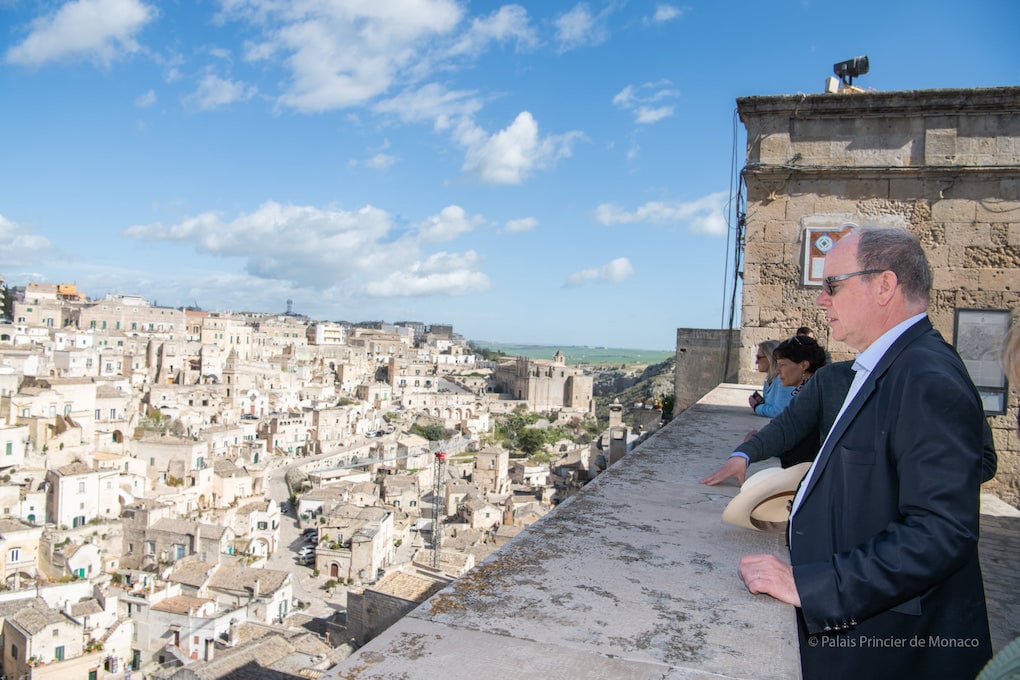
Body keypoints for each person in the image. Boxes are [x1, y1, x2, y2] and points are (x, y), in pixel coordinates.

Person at [738, 226, 994, 679]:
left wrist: (815, 585)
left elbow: (941, 531)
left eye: (832, 285)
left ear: (884, 286)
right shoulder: (894, 364)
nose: (822, 300)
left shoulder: (926, 377)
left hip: (892, 649)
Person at [748, 339, 795, 417]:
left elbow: (779, 411)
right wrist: (763, 403)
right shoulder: (770, 380)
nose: (756, 362)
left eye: (759, 357)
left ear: (770, 358)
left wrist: (756, 407)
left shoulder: (783, 379)